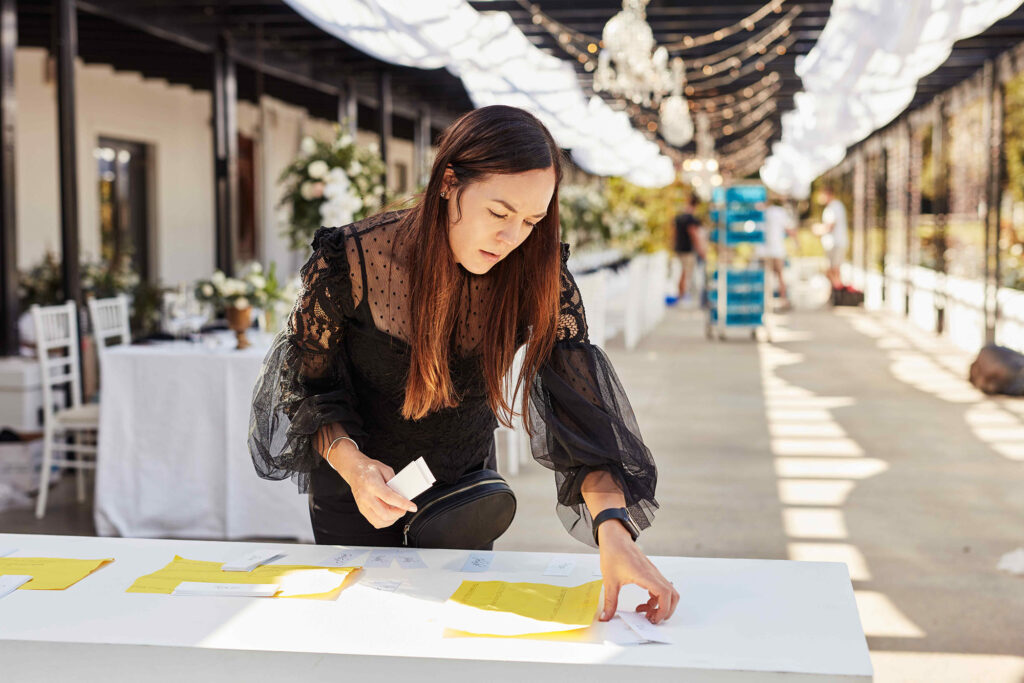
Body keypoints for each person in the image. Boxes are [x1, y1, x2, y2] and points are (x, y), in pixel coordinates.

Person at [249, 105, 677, 624]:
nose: (513, 237)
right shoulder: (353, 262)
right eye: (499, 213)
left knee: (457, 636)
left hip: (464, 498)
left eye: (532, 220)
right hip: (356, 490)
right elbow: (307, 390)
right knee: (361, 643)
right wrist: (355, 467)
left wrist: (613, 527)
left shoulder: (536, 271)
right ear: (450, 182)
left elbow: (581, 414)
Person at [756, 195, 797, 312]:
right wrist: (796, 242)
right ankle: (781, 301)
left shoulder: (760, 212)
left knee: (768, 277)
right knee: (779, 276)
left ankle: (767, 302)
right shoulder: (778, 212)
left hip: (765, 251)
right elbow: (789, 229)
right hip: (774, 250)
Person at [813, 184, 848, 296]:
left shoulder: (835, 206)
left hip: (837, 243)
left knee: (834, 269)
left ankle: (839, 293)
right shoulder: (830, 208)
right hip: (832, 244)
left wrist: (818, 230)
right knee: (831, 270)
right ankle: (836, 292)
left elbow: (830, 226)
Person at [673, 195, 705, 302]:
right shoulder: (690, 219)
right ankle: (681, 296)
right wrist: (701, 250)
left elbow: (674, 233)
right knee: (686, 273)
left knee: (682, 273)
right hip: (687, 250)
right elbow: (694, 235)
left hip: (679, 249)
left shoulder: (679, 217)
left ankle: (681, 295)